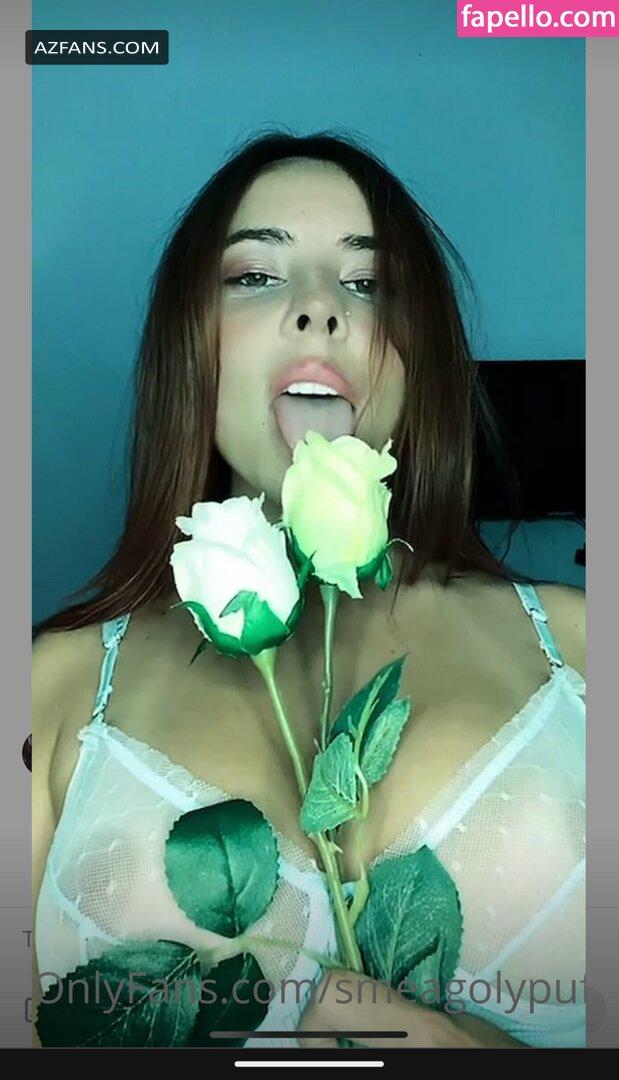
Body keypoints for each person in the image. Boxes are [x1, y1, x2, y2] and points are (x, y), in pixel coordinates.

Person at [32, 131, 586, 1050]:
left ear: (419, 359)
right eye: (254, 275)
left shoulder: (583, 646)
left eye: (368, 283)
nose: (320, 308)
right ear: (188, 346)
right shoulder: (46, 688)